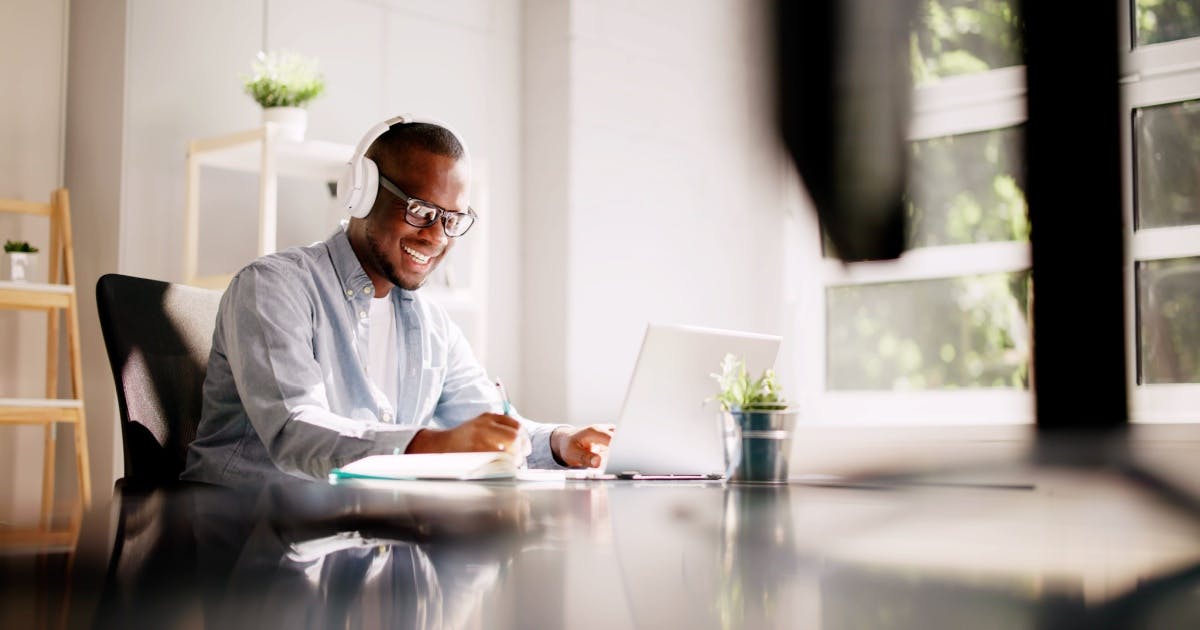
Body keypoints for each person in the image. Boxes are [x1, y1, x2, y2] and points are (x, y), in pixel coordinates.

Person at [182, 115, 613, 487]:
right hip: (247, 535)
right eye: (421, 211)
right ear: (363, 193)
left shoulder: (433, 326)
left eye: (452, 219)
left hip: (354, 534)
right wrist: (431, 445)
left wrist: (561, 443)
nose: (437, 236)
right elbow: (296, 430)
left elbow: (492, 423)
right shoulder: (273, 288)